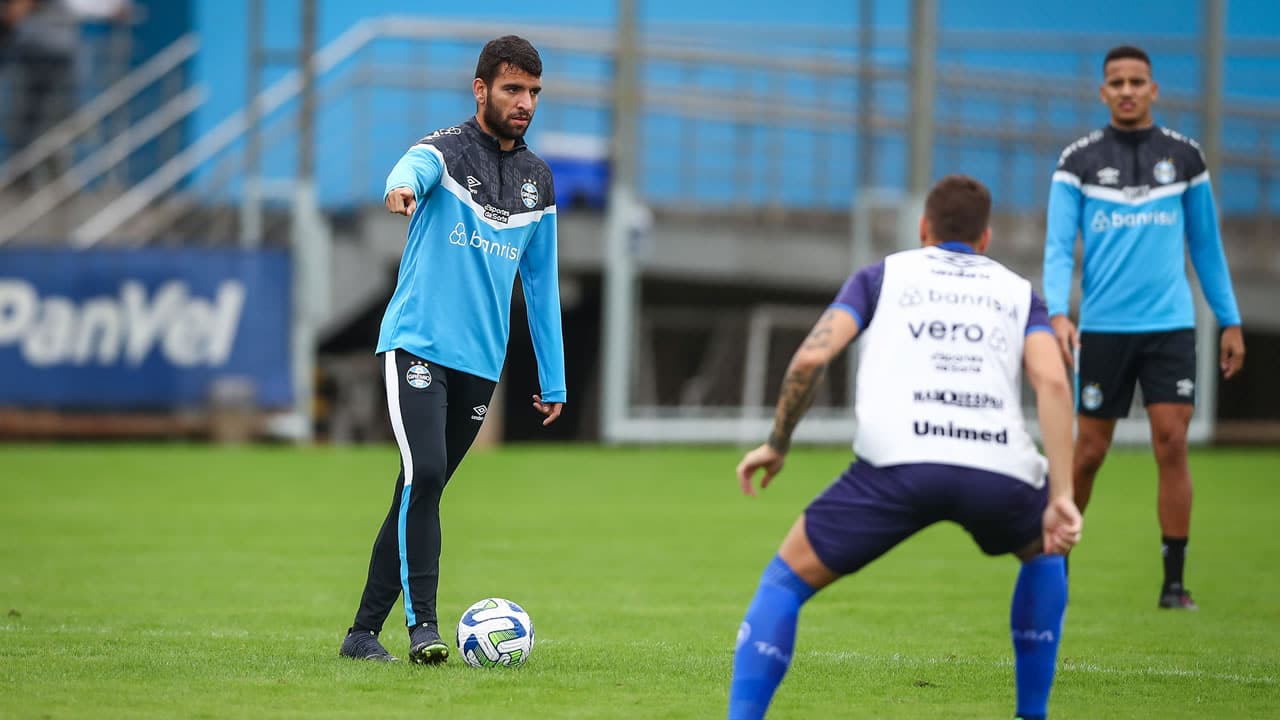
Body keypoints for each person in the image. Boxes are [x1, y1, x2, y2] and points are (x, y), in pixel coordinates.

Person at [727, 175, 1082, 720]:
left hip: (897, 466)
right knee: (1046, 551)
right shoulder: (1019, 293)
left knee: (784, 581)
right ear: (986, 238)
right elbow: (1054, 384)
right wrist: (1061, 494)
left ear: (923, 229)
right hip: (997, 467)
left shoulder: (882, 275)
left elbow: (809, 360)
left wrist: (778, 443)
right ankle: (1031, 714)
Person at [339, 35, 566, 664]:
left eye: (534, 93)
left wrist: (554, 377)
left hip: (479, 363)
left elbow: (541, 285)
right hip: (416, 344)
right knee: (425, 474)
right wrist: (399, 189)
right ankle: (424, 629)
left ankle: (361, 635)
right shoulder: (443, 149)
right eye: (513, 89)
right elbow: (409, 168)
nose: (525, 103)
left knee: (419, 491)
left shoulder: (538, 181)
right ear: (481, 89)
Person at [1042, 45, 1245, 611]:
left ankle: (1174, 583)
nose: (1127, 90)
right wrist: (1057, 311)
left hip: (1170, 327)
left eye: (1137, 81)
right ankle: (1056, 571)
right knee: (1087, 454)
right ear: (1102, 92)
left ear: (1154, 90)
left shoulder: (1184, 159)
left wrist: (1229, 318)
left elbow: (1206, 245)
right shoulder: (1077, 162)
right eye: (1116, 82)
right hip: (1104, 329)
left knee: (1171, 442)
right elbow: (1059, 248)